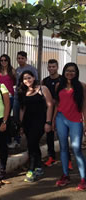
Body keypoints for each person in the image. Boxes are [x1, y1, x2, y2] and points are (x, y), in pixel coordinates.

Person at [53, 62, 86, 190]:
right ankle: (65, 175)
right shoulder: (58, 86)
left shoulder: (81, 86)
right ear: (64, 71)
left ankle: (83, 178)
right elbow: (57, 104)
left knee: (76, 148)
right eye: (67, 70)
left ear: (76, 72)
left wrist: (85, 122)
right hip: (61, 118)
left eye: (72, 71)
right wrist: (52, 120)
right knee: (63, 147)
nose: (70, 73)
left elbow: (84, 105)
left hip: (75, 120)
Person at [18, 70, 53, 182]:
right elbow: (22, 109)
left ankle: (31, 169)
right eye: (24, 79)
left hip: (40, 121)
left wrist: (48, 122)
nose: (27, 80)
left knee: (32, 143)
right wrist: (21, 125)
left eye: (29, 78)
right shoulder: (23, 91)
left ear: (34, 78)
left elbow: (50, 105)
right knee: (33, 144)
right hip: (28, 122)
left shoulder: (42, 89)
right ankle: (38, 166)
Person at [42, 59, 73, 170]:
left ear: (57, 67)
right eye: (49, 67)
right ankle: (51, 157)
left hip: (61, 112)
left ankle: (68, 160)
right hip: (49, 111)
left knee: (62, 136)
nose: (51, 69)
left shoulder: (62, 80)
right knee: (49, 134)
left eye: (53, 67)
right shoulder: (44, 81)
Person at [13, 51, 38, 147]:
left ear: (26, 59)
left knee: (28, 118)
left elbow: (35, 82)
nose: (20, 60)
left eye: (22, 58)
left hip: (28, 97)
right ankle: (17, 140)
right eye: (18, 58)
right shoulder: (17, 70)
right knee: (16, 119)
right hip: (17, 97)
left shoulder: (31, 69)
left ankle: (30, 140)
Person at [0, 54, 16, 148]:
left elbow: (16, 83)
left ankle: (10, 140)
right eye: (1, 60)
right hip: (1, 97)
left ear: (8, 61)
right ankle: (3, 139)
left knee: (8, 118)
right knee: (2, 118)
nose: (3, 62)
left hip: (10, 97)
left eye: (5, 60)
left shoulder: (12, 71)